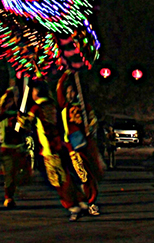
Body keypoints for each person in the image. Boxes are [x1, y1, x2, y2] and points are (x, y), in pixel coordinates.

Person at [18, 78, 84, 221]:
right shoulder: (52, 104)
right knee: (66, 176)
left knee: (58, 180)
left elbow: (26, 126)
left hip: (49, 149)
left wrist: (20, 120)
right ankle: (80, 200)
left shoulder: (36, 108)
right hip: (59, 145)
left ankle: (72, 205)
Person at [57, 70, 103, 215]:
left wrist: (91, 127)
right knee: (77, 175)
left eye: (72, 91)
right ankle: (80, 201)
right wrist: (65, 74)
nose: (70, 94)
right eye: (68, 92)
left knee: (88, 175)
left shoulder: (84, 107)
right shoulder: (65, 106)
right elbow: (59, 87)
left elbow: (94, 122)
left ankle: (91, 201)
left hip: (84, 144)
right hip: (71, 146)